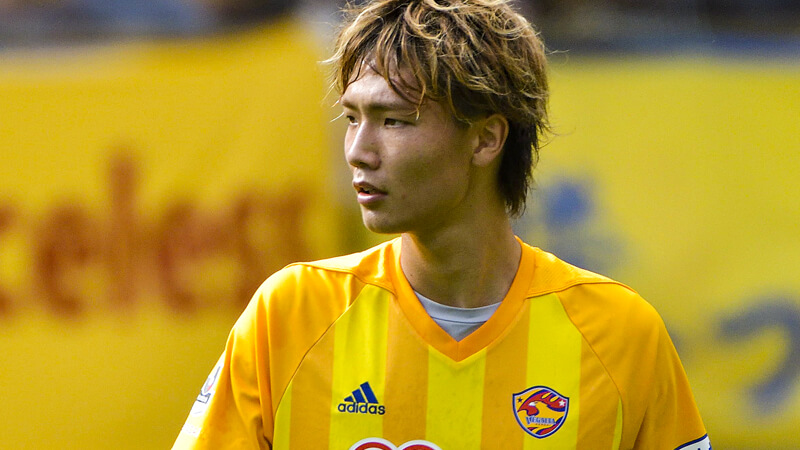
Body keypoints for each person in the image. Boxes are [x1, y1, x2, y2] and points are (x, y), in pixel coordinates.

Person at [173, 0, 710, 448]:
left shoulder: (621, 336)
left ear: (486, 139)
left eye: (394, 121)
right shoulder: (290, 316)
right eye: (352, 118)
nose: (358, 151)